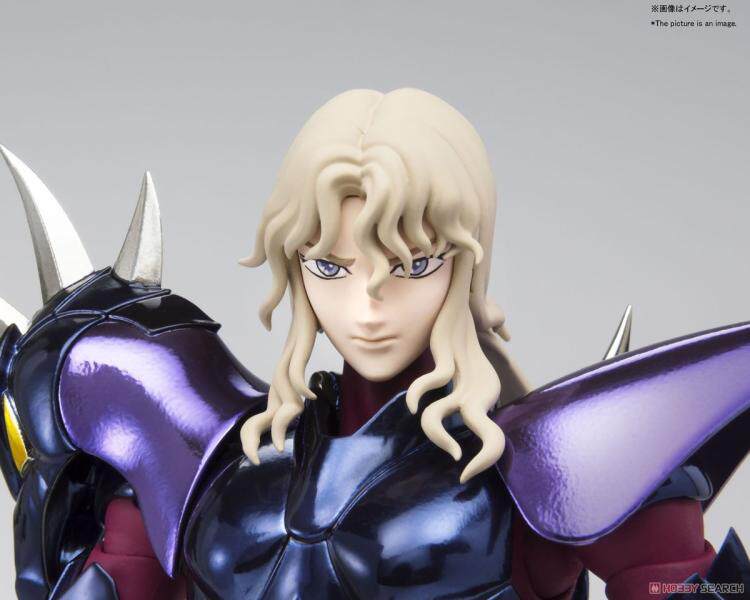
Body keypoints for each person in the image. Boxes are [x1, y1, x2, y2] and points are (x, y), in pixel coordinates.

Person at [0, 89, 748, 599]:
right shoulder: (211, 465)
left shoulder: (544, 469)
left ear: (467, 264)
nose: (368, 307)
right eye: (331, 267)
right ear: (295, 266)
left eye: (412, 265)